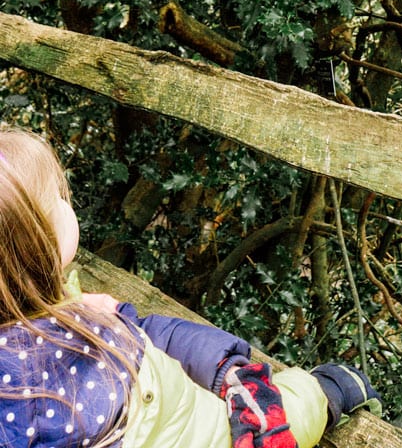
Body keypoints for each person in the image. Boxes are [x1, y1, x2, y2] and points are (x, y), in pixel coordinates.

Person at [0, 126, 381, 448]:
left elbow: (140, 330)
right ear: (41, 242)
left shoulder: (37, 317)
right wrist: (323, 393)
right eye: (58, 198)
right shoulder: (105, 354)